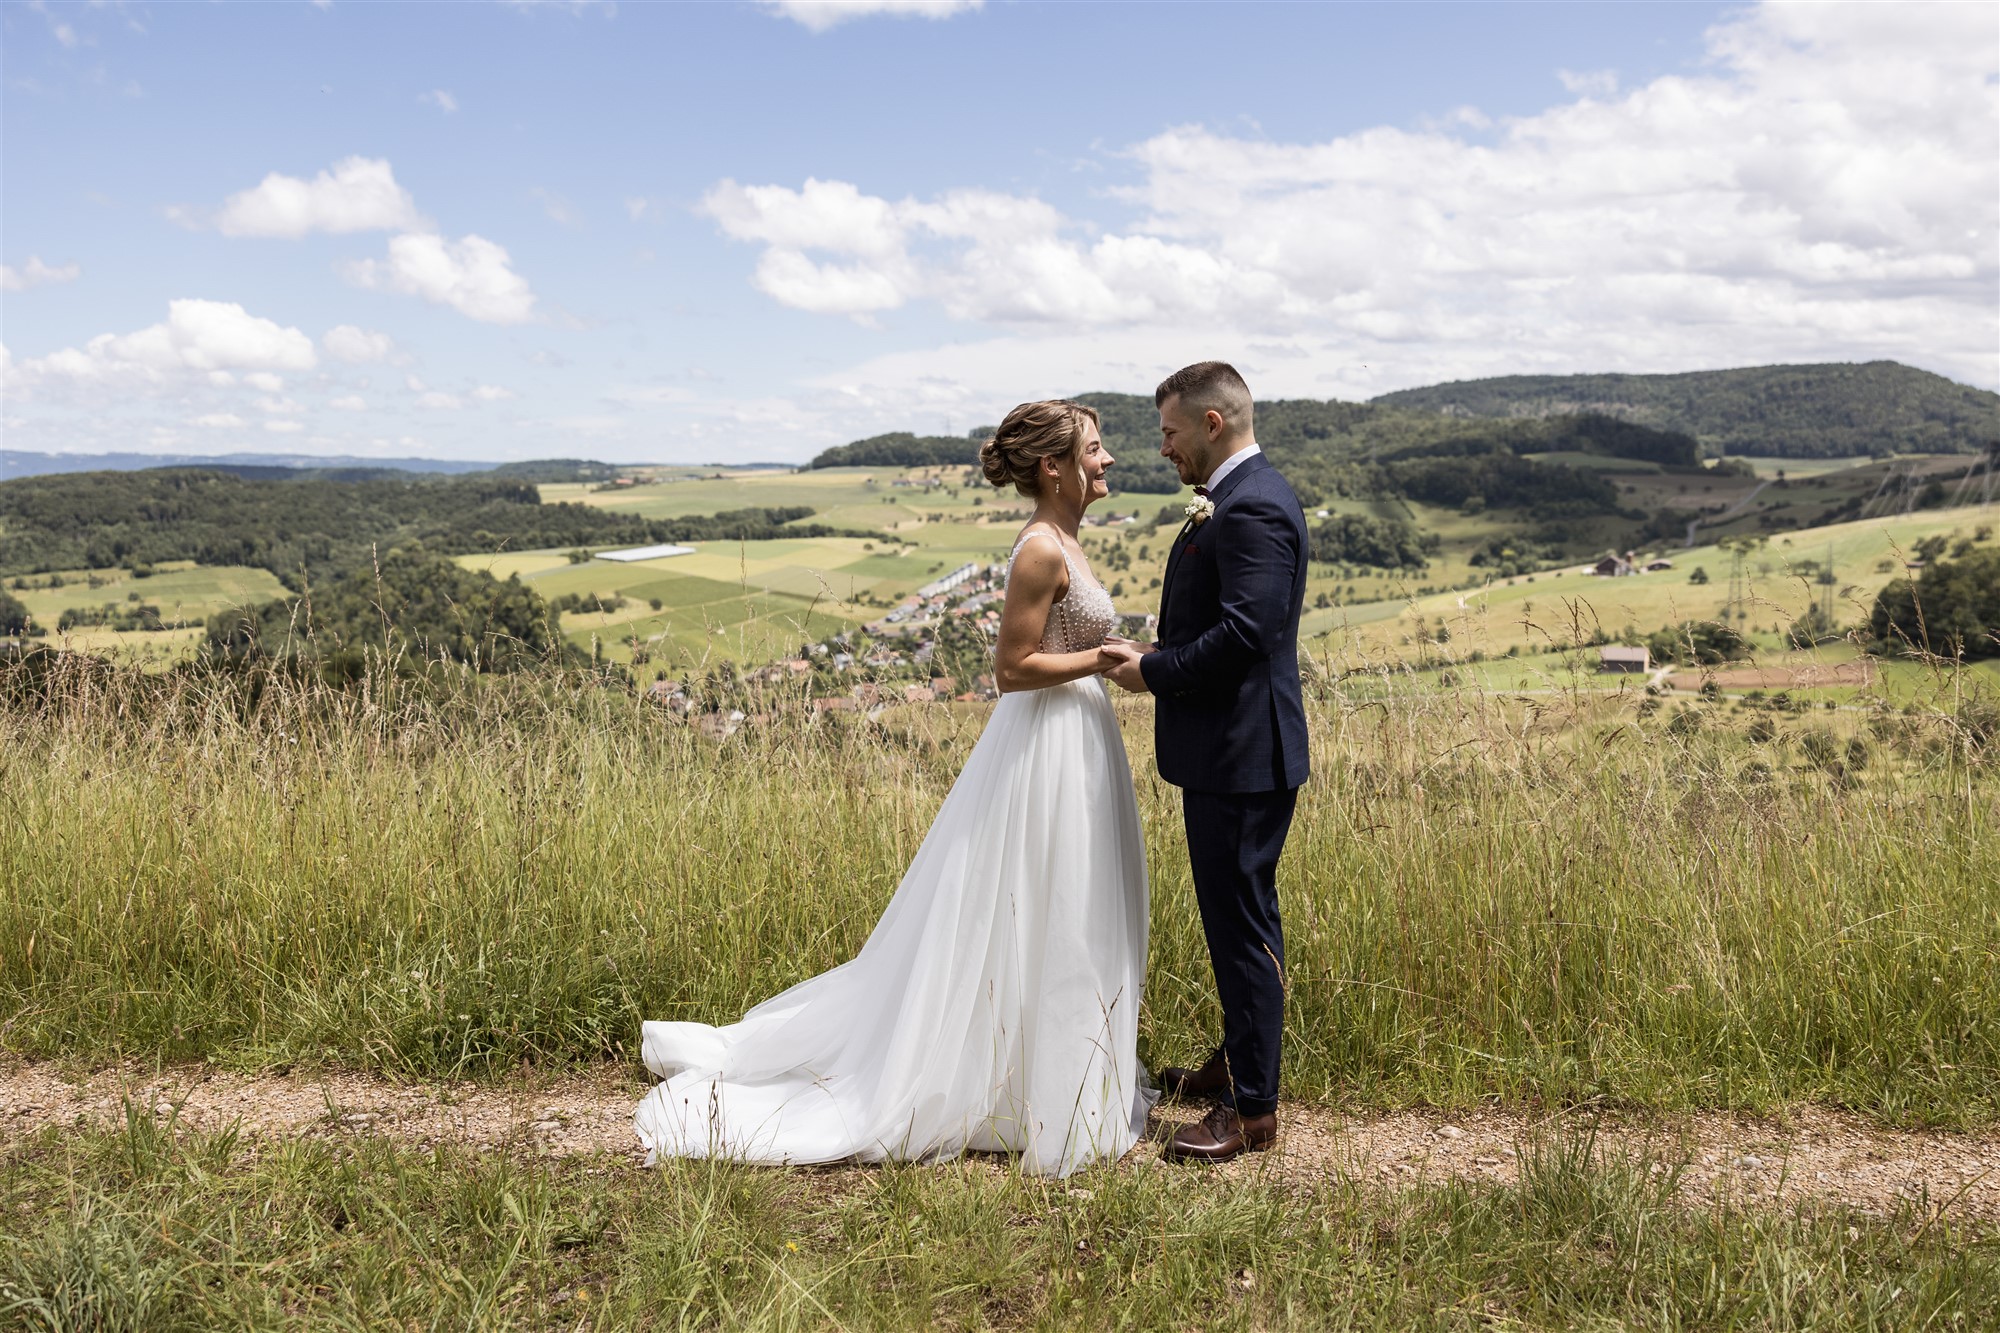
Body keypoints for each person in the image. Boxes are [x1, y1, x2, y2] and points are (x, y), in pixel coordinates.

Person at [636, 399, 1155, 1177]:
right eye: (1095, 446)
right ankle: (1032, 1094)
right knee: (1043, 904)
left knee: (1066, 910)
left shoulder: (1068, 538)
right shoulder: (1041, 550)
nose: (1108, 458)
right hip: (1045, 743)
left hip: (1078, 739)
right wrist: (1106, 658)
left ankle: (1043, 1080)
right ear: (1055, 466)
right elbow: (1011, 671)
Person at [1102, 361, 1310, 1163]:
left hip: (1244, 757)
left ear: (1210, 424)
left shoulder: (1253, 505)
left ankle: (1251, 1109)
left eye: (1169, 431)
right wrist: (1156, 650)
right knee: (1230, 922)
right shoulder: (1239, 498)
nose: (1162, 447)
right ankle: (1239, 1061)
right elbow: (1223, 625)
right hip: (1228, 752)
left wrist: (1152, 672)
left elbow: (1246, 635)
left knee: (1244, 925)